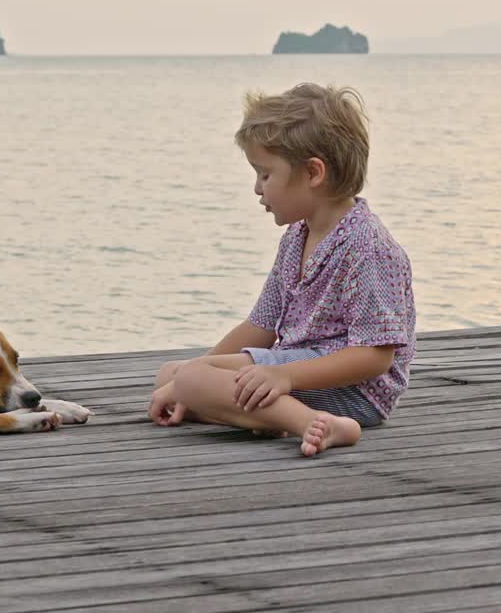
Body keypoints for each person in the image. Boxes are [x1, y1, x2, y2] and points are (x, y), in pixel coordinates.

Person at [148, 83, 415, 456]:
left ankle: (310, 424)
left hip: (352, 391)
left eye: (265, 175)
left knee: (192, 380)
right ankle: (266, 414)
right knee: (174, 375)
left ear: (313, 173)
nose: (257, 189)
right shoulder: (297, 238)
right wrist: (200, 371)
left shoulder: (368, 246)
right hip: (293, 369)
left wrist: (284, 375)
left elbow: (375, 356)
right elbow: (259, 327)